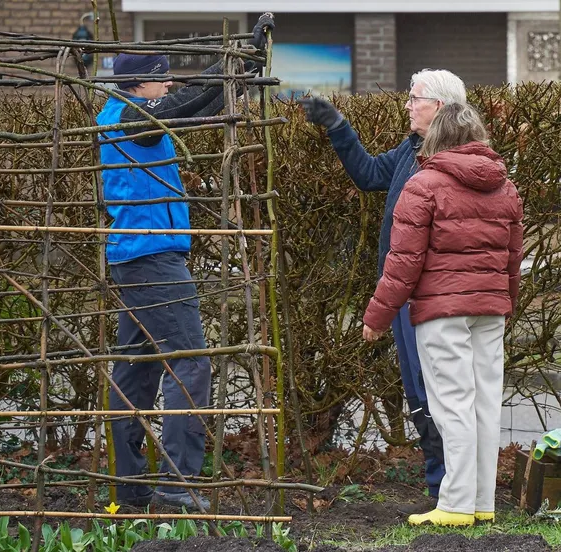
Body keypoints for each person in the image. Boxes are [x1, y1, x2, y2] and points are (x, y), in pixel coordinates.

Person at [97, 13, 275, 510]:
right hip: (151, 259)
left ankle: (130, 489)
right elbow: (180, 104)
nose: (169, 82)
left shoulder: (122, 115)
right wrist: (231, 64)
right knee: (190, 364)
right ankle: (178, 486)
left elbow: (191, 104)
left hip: (135, 258)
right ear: (139, 84)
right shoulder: (131, 118)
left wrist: (238, 73)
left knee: (136, 372)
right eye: (161, 76)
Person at [300, 69, 467, 513]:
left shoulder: (453, 161)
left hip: (435, 297)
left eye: (415, 99)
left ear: (440, 107)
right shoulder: (412, 151)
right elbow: (370, 174)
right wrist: (338, 126)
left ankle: (454, 489)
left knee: (438, 393)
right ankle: (440, 489)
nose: (407, 106)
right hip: (404, 295)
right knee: (418, 393)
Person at [362, 103, 524, 527]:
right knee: (485, 405)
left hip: (442, 310)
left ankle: (454, 505)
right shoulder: (505, 187)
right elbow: (513, 257)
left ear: (437, 136)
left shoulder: (423, 185)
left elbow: (403, 262)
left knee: (452, 405)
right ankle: (481, 501)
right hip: (490, 309)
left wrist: (377, 316)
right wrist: (506, 300)